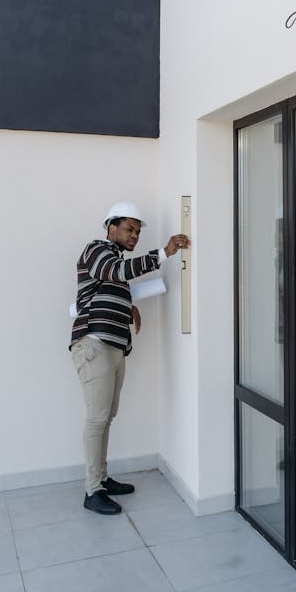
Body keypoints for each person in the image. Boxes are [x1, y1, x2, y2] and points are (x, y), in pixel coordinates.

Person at [69, 201, 190, 515]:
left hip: (113, 347)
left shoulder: (114, 265)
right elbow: (116, 271)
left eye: (137, 231)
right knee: (97, 419)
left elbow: (111, 284)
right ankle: (92, 491)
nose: (135, 235)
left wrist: (128, 304)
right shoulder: (96, 249)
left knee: (106, 416)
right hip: (93, 344)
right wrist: (163, 253)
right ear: (112, 228)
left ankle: (102, 479)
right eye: (129, 229)